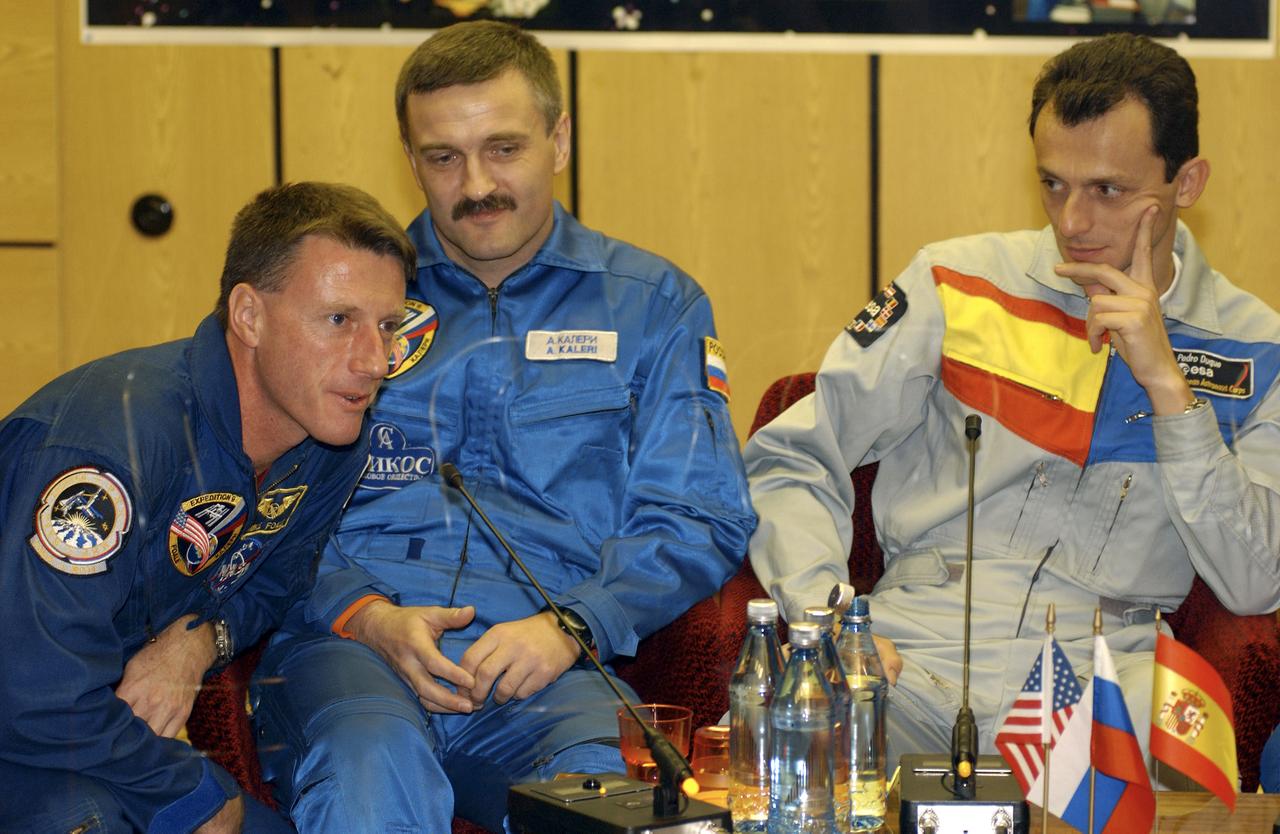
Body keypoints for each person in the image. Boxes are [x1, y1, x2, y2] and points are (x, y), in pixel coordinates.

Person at [250, 20, 755, 833]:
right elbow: (260, 488)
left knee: (614, 799)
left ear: (559, 140)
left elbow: (701, 514)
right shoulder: (343, 302)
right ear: (410, 160)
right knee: (372, 775)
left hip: (549, 662)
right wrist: (366, 615)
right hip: (354, 647)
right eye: (443, 157)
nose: (476, 184)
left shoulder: (655, 306)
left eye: (505, 148)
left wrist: (574, 624)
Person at [744, 32, 1280, 773]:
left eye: (1108, 190)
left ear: (1186, 183)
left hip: (1104, 674)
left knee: (1169, 784)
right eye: (1053, 184)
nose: (1072, 222)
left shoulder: (1257, 349)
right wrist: (829, 617)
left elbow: (1256, 580)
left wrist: (1168, 388)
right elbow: (792, 454)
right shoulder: (955, 282)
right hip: (918, 649)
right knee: (798, 759)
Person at [0, 181, 413, 834]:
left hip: (93, 732)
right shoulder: (117, 438)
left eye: (388, 325)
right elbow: (34, 689)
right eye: (339, 320)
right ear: (248, 316)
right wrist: (186, 791)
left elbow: (274, 584)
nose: (375, 361)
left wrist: (199, 643)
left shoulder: (332, 438)